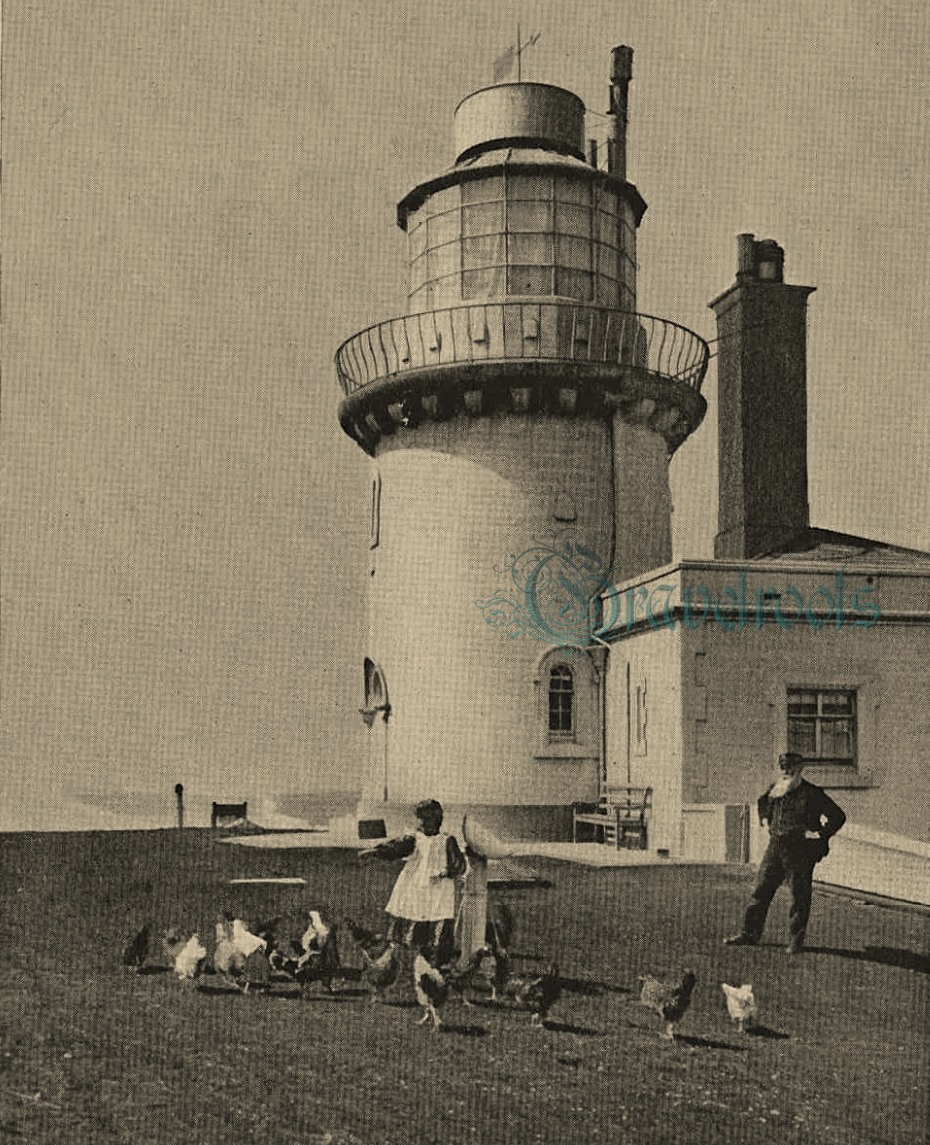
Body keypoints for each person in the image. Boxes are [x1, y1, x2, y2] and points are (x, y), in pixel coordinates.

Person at [724, 751, 846, 954]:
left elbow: (838, 816)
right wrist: (765, 819)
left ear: (800, 769)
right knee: (760, 891)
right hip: (775, 848)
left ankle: (795, 941)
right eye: (783, 768)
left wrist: (820, 834)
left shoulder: (812, 793)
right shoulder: (776, 790)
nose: (786, 772)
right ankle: (749, 933)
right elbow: (762, 803)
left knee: (799, 896)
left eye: (791, 768)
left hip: (799, 851)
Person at [358, 799, 466, 966]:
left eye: (422, 819)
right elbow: (395, 848)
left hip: (439, 886)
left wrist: (448, 872)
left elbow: (459, 864)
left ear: (433, 820)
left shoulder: (447, 840)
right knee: (414, 913)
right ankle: (408, 954)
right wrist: (374, 851)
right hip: (416, 884)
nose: (419, 823)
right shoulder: (415, 838)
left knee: (437, 918)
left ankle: (437, 957)